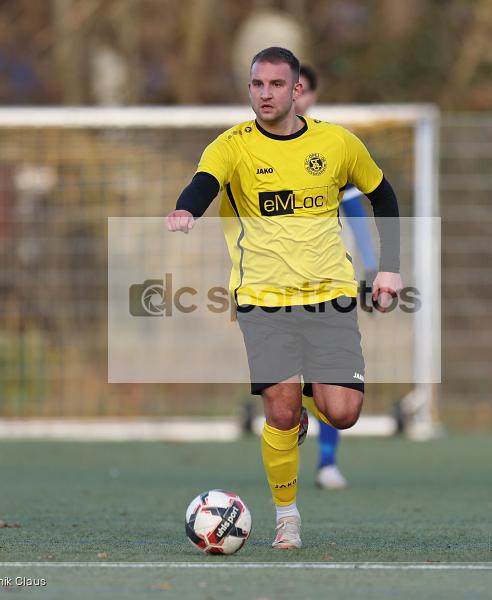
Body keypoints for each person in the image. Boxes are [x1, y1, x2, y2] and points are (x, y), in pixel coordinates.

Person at [166, 47, 401, 550]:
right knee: (280, 411)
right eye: (256, 85)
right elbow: (202, 184)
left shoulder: (336, 144)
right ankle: (286, 517)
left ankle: (307, 406)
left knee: (342, 412)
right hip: (262, 299)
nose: (264, 94)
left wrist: (391, 268)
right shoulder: (232, 146)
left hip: (330, 295)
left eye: (275, 85)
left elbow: (384, 196)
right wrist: (186, 210)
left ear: (297, 90)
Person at [295, 64, 379, 491]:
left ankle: (327, 461)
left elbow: (356, 209)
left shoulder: (329, 146)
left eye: (303, 90)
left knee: (330, 374)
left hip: (329, 281)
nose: (296, 97)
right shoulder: (253, 148)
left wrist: (370, 266)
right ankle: (293, 425)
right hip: (274, 282)